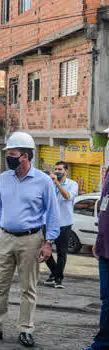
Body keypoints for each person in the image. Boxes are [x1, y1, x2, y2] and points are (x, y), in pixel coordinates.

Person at [0, 131, 60, 348]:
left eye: (12, 154)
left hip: (31, 240)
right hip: (5, 237)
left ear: (25, 155)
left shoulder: (43, 181)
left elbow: (52, 213)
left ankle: (26, 330)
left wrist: (48, 243)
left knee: (28, 288)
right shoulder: (5, 178)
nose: (9, 157)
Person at [83, 129, 109, 350]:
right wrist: (98, 241)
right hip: (105, 248)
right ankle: (102, 343)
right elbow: (104, 209)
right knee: (106, 300)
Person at [43, 161, 78, 289]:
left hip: (64, 223)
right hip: (49, 222)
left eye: (60, 169)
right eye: (56, 169)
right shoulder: (48, 184)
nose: (57, 171)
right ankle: (54, 273)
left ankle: (58, 279)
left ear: (66, 171)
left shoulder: (72, 184)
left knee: (62, 252)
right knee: (44, 250)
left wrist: (56, 183)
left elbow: (67, 196)